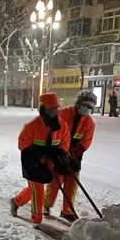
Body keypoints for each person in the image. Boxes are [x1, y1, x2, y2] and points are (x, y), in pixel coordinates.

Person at [10, 93, 71, 229]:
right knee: (38, 190)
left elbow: (65, 144)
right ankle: (36, 219)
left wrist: (58, 156)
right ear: (42, 110)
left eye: (55, 109)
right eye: (50, 109)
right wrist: (40, 156)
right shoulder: (32, 126)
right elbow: (22, 145)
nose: (53, 112)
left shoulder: (62, 126)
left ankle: (16, 201)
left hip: (50, 162)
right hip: (32, 162)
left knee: (34, 189)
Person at [44, 89, 96, 222]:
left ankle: (67, 210)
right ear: (79, 104)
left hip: (74, 155)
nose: (88, 109)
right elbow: (53, 132)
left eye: (91, 107)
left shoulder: (89, 123)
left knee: (72, 184)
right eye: (87, 106)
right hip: (59, 151)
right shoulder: (63, 114)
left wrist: (75, 152)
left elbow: (86, 141)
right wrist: (60, 150)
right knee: (56, 181)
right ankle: (46, 205)